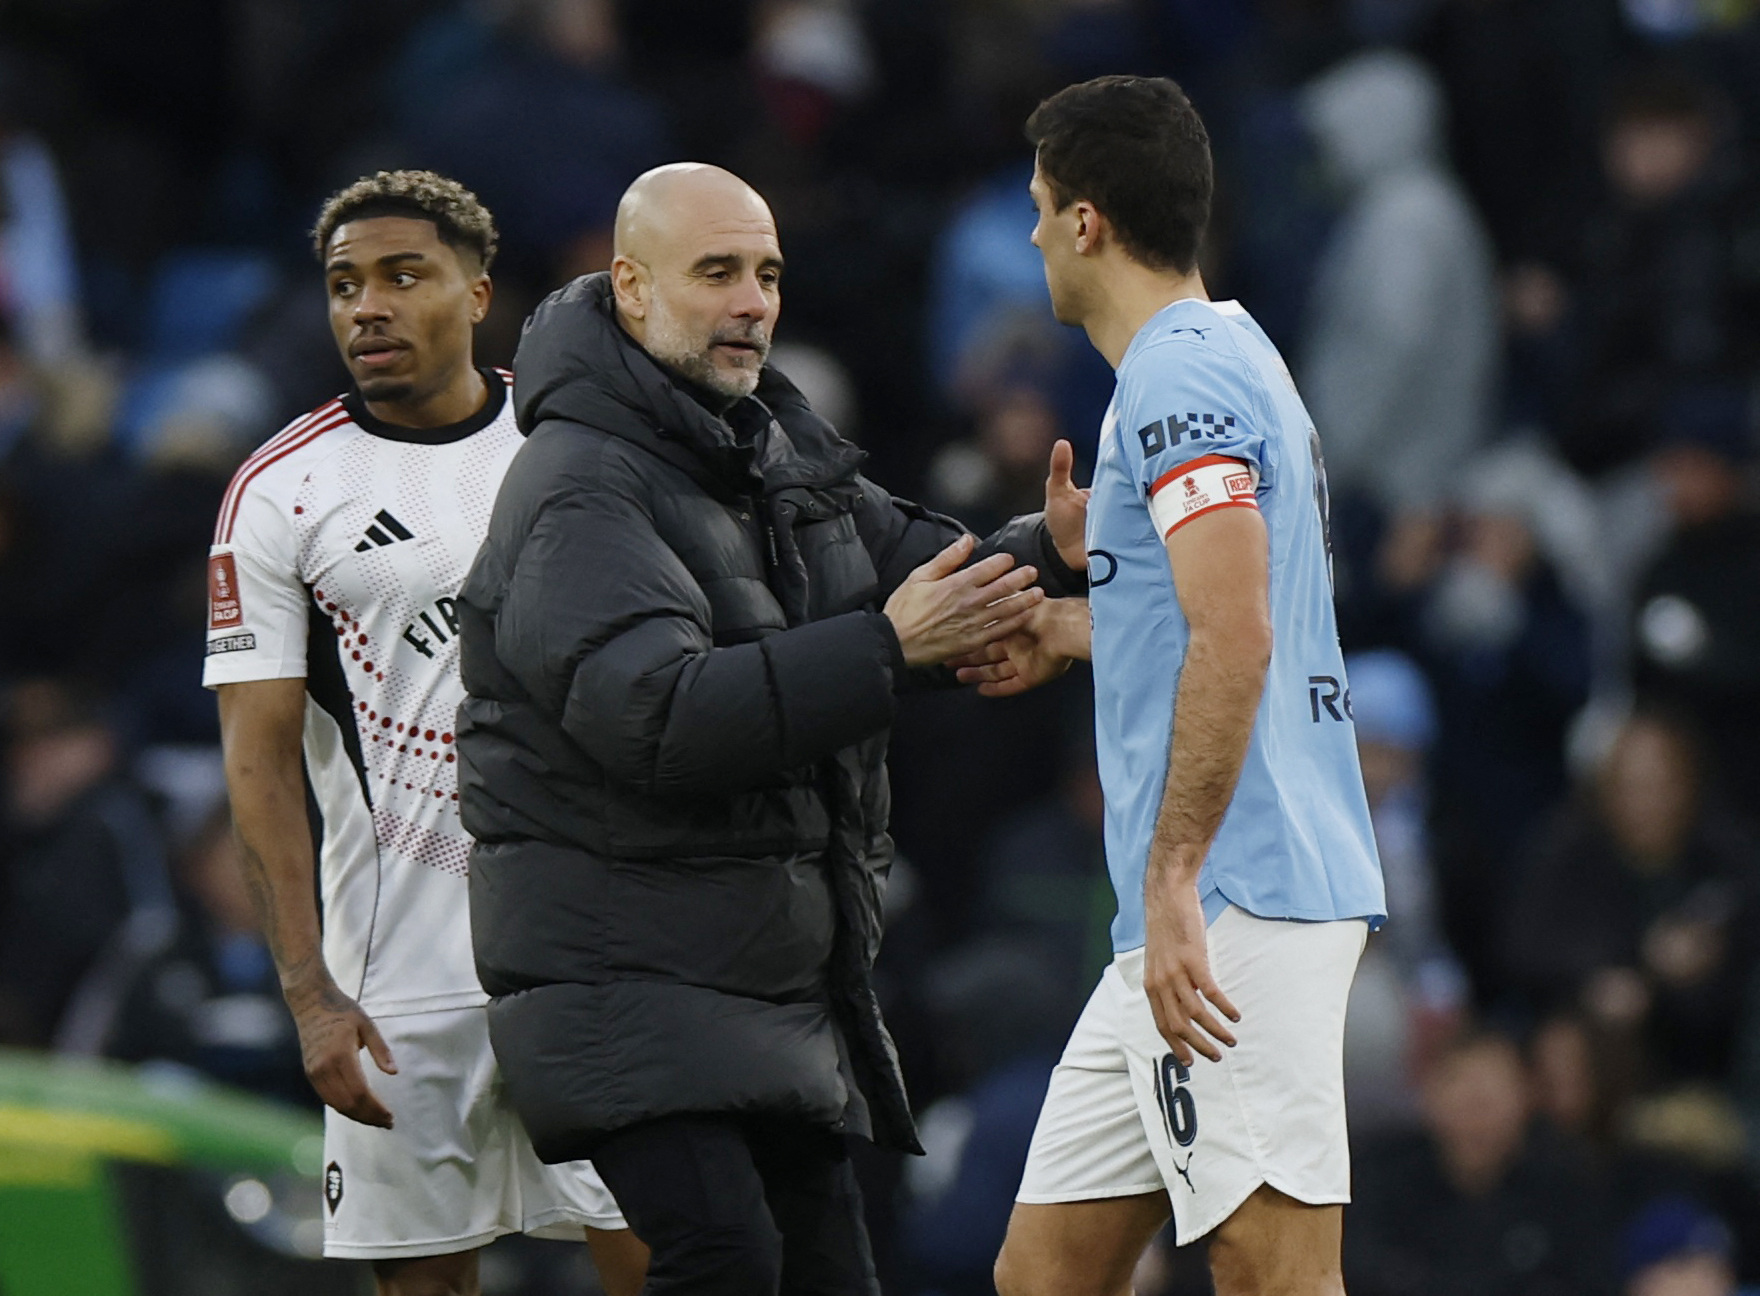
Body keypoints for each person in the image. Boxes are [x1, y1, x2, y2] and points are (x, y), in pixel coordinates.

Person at [455, 161, 1090, 1295]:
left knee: (826, 1275)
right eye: (717, 273)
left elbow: (917, 576)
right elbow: (657, 717)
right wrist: (887, 649)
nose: (752, 301)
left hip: (754, 987)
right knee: (725, 1261)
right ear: (631, 288)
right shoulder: (576, 486)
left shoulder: (769, 449)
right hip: (625, 979)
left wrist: (1047, 555)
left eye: (767, 274)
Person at [962, 76, 1387, 1296]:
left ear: (1087, 221)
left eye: (1041, 207)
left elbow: (1239, 634)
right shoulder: (1230, 350)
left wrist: (1170, 875)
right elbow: (1215, 617)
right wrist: (1071, 616)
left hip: (1230, 897)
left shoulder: (1174, 380)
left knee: (1272, 1277)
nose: (1033, 233)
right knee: (1042, 1275)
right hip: (1202, 900)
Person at [203, 170, 644, 1296]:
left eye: (404, 276)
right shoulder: (283, 491)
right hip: (398, 981)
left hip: (594, 955)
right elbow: (256, 765)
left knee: (666, 1264)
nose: (368, 307)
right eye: (345, 284)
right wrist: (307, 991)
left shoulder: (577, 437)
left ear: (478, 292)